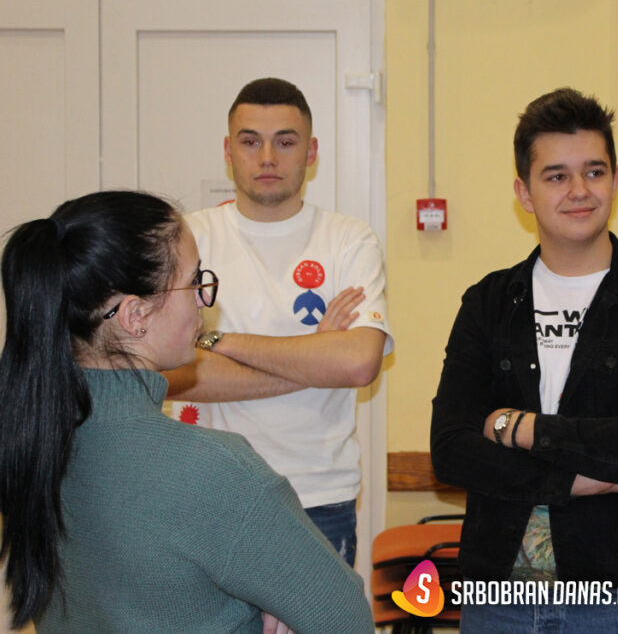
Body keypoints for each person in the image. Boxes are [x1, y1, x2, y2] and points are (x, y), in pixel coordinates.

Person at [0, 191, 372, 633]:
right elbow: (346, 620)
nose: (203, 300)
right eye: (194, 281)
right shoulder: (212, 469)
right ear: (136, 315)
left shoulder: (32, 442)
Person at [431, 88, 618, 632]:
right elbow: (451, 449)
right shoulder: (488, 303)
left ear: (616, 180)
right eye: (556, 176)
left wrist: (521, 427)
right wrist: (572, 479)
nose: (579, 191)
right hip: (498, 601)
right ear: (524, 193)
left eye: (594, 172)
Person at [164, 78, 393, 566]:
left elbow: (357, 363)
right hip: (205, 493)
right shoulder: (186, 238)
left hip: (317, 498)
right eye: (251, 141)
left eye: (285, 142)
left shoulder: (349, 240)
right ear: (228, 151)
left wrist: (218, 340)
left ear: (311, 152)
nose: (267, 157)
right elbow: (174, 374)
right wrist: (313, 358)